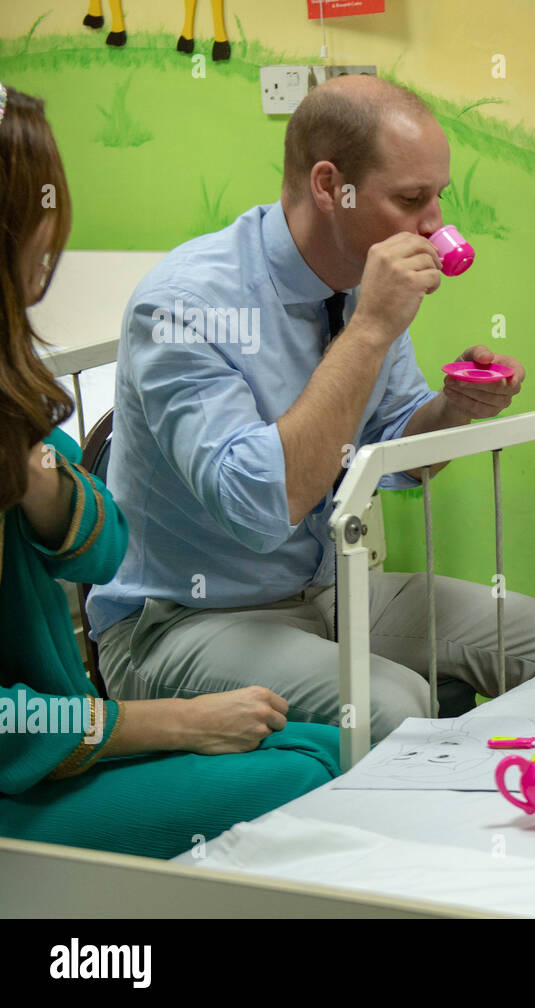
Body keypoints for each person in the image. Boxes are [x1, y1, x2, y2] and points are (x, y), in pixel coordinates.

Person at [87, 75, 535, 741]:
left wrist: (452, 408)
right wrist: (367, 333)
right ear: (331, 187)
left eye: (438, 197)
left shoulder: (359, 286)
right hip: (185, 620)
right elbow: (260, 509)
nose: (436, 225)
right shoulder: (184, 307)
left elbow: (398, 458)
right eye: (412, 199)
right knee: (393, 703)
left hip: (329, 595)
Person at [0, 83, 339, 859]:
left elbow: (100, 549)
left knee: (322, 747)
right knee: (319, 766)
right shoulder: (183, 303)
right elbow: (258, 499)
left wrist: (38, 481)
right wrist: (169, 723)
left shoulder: (14, 384)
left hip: (59, 729)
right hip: (40, 747)